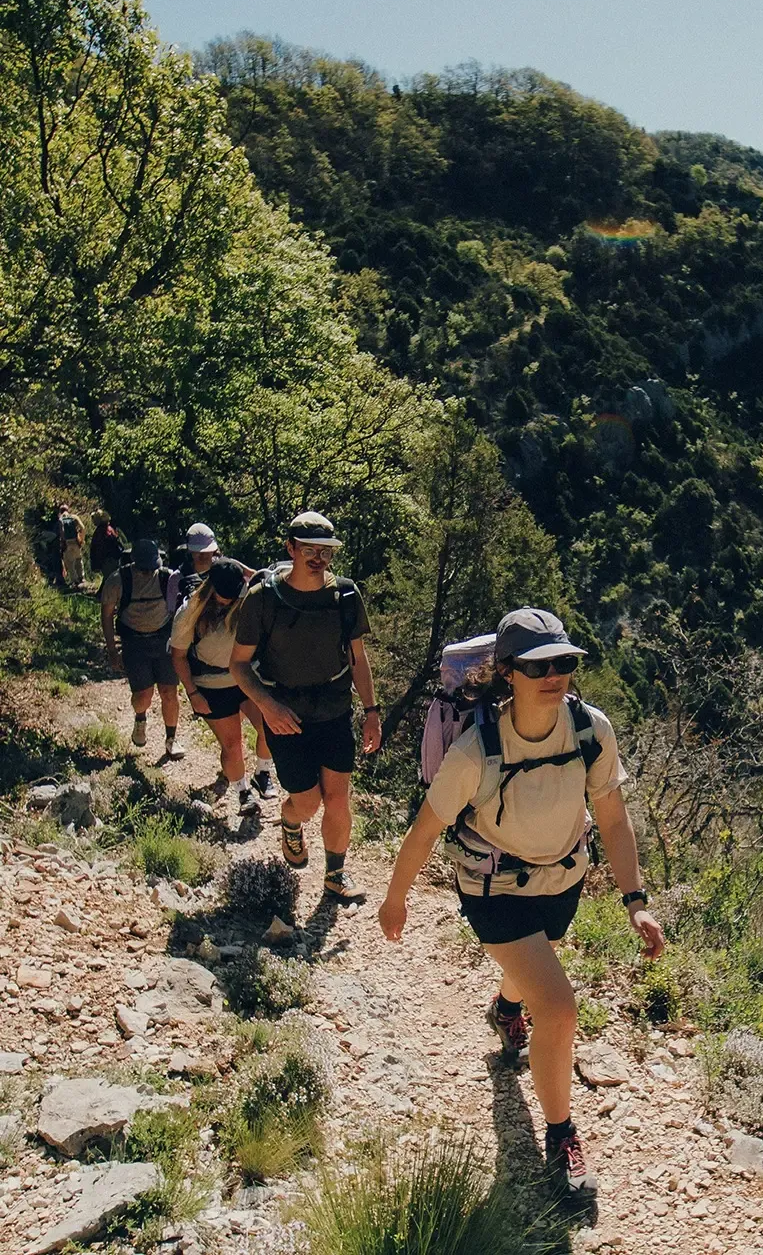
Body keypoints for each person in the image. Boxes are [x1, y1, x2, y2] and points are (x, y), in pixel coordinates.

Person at [378, 608, 664, 1198]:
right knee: (558, 1008)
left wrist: (635, 899)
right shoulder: (475, 749)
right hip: (495, 888)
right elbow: (426, 829)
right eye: (539, 664)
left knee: (536, 966)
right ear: (509, 672)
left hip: (564, 879)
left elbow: (611, 815)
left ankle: (507, 1009)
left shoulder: (590, 730)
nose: (555, 673)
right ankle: (560, 1137)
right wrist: (395, 898)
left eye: (563, 661)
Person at [231, 511, 382, 902]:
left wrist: (371, 711)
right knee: (308, 802)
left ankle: (335, 874)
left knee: (337, 798)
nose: (318, 558)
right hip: (285, 713)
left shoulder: (345, 596)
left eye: (326, 551)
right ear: (291, 549)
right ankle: (291, 819)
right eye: (309, 550)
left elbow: (357, 657)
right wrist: (267, 707)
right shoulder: (264, 599)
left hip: (333, 708)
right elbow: (238, 664)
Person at [169, 522, 272, 800]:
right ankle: (242, 792)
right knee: (233, 743)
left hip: (245, 677)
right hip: (211, 684)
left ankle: (263, 774)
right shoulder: (190, 612)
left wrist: (242, 570)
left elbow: (270, 579)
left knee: (269, 727)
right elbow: (177, 655)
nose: (228, 603)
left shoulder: (247, 601)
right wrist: (192, 694)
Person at [99, 538, 184, 757]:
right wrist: (112, 650)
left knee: (169, 692)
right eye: (144, 568)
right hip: (134, 643)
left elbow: (180, 612)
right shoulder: (118, 580)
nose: (148, 572)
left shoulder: (169, 578)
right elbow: (107, 615)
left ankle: (171, 739)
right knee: (143, 696)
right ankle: (140, 717)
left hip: (164, 640)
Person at [89, 509, 124, 581]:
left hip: (107, 561)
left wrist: (96, 564)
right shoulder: (110, 529)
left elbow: (97, 549)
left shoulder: (100, 532)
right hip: (114, 558)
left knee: (110, 579)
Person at [58, 504, 86, 588]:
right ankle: (82, 578)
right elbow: (83, 527)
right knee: (78, 559)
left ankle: (75, 581)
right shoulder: (74, 517)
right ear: (68, 510)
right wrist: (81, 539)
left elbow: (62, 532)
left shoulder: (60, 519)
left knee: (70, 563)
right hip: (76, 541)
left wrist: (63, 542)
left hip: (67, 543)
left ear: (60, 511)